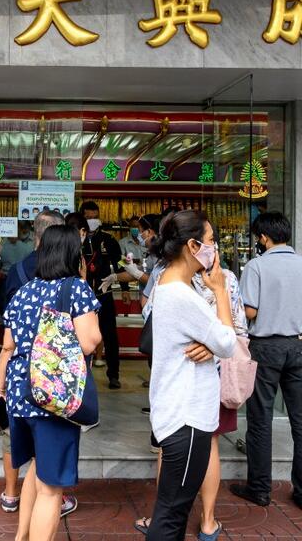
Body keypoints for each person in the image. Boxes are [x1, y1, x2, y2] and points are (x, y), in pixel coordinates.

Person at [136, 225, 248, 539]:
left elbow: (218, 340)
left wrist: (210, 341)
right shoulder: (182, 293)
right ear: (192, 245)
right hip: (186, 417)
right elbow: (228, 341)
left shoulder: (170, 285)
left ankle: (206, 519)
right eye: (211, 240)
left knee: (171, 510)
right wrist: (221, 292)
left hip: (182, 412)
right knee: (172, 516)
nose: (215, 247)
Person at [0, 224, 102, 540]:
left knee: (36, 470)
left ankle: (21, 537)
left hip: (20, 394)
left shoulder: (24, 290)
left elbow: (6, 346)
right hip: (52, 398)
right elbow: (90, 342)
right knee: (51, 489)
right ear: (74, 254)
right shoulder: (75, 289)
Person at [0, 212, 79, 520]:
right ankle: (51, 493)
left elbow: (8, 341)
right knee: (48, 441)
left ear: (36, 235)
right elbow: (89, 338)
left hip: (19, 374)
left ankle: (11, 493)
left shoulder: (19, 272)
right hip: (53, 378)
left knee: (12, 436)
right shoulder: (69, 281)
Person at [231, 212, 302, 508]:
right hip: (297, 346)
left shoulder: (257, 266)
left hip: (266, 347)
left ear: (263, 237)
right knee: (300, 421)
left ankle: (259, 488)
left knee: (260, 419)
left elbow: (249, 311)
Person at [80, 201, 124, 388]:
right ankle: (79, 375)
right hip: (81, 295)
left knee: (110, 335)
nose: (92, 221)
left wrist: (124, 288)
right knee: (79, 335)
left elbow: (120, 264)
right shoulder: (76, 239)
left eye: (94, 217)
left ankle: (113, 374)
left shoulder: (108, 239)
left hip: (103, 293)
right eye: (88, 218)